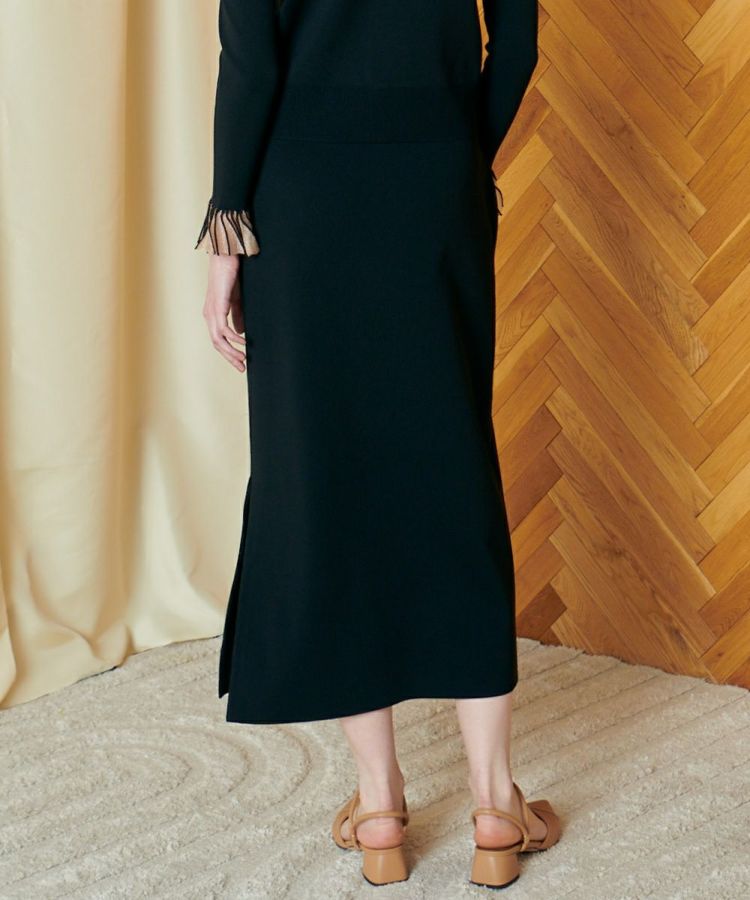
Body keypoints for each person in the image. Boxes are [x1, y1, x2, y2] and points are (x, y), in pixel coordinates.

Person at [195, 0, 560, 888]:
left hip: (303, 198)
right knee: (454, 476)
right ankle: (493, 804)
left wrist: (226, 229)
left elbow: (251, 63)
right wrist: (454, 152)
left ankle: (382, 806)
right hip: (435, 184)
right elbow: (516, 41)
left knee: (328, 480)